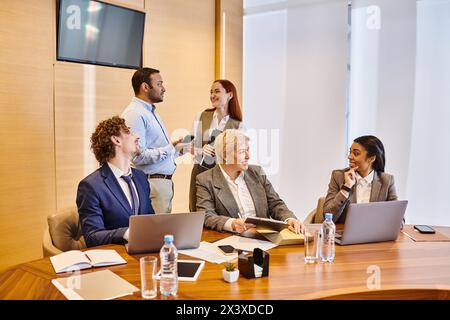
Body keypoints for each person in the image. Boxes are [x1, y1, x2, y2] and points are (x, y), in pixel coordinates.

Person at [196, 129, 304, 234]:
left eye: (248, 150)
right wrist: (232, 224)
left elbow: (275, 204)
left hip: (264, 239)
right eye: (242, 151)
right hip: (231, 239)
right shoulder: (205, 180)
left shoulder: (257, 172)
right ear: (225, 156)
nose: (248, 156)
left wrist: (289, 219)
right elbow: (206, 215)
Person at [76, 116, 155, 247]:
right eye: (129, 132)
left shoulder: (141, 177)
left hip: (146, 254)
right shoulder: (90, 186)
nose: (137, 136)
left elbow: (150, 219)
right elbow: (92, 236)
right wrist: (126, 233)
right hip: (117, 260)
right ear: (116, 140)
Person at [121, 67, 189, 213]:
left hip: (162, 185)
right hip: (151, 184)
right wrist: (171, 147)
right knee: (156, 234)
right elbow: (138, 157)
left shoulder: (150, 112)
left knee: (162, 232)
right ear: (145, 87)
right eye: (159, 84)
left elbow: (156, 151)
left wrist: (180, 150)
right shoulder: (135, 114)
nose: (163, 89)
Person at [189, 79, 244, 212]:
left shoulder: (239, 125)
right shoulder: (201, 116)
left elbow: (239, 156)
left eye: (217, 91)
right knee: (197, 213)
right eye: (211, 92)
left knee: (219, 215)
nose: (212, 95)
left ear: (230, 95)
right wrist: (199, 150)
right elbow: (188, 146)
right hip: (200, 173)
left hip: (224, 177)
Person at [323, 135, 398, 224]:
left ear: (372, 158)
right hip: (344, 234)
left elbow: (399, 219)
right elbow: (327, 216)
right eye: (350, 152)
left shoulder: (387, 181)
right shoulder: (338, 176)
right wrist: (346, 188)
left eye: (356, 153)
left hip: (375, 236)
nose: (350, 157)